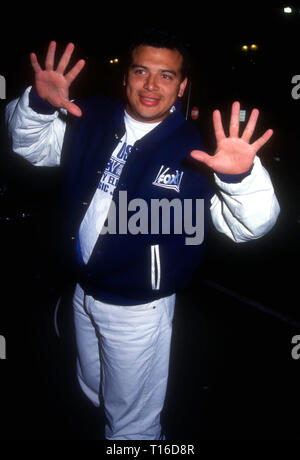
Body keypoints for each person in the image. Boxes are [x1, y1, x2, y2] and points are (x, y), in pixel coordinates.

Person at [5, 29, 280, 440]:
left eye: (166, 76)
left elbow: (251, 226)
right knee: (92, 387)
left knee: (133, 426)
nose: (151, 85)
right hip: (83, 292)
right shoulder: (89, 116)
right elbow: (29, 146)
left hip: (137, 310)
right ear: (125, 77)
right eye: (141, 71)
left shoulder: (198, 150)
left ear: (182, 85)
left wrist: (239, 177)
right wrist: (40, 106)